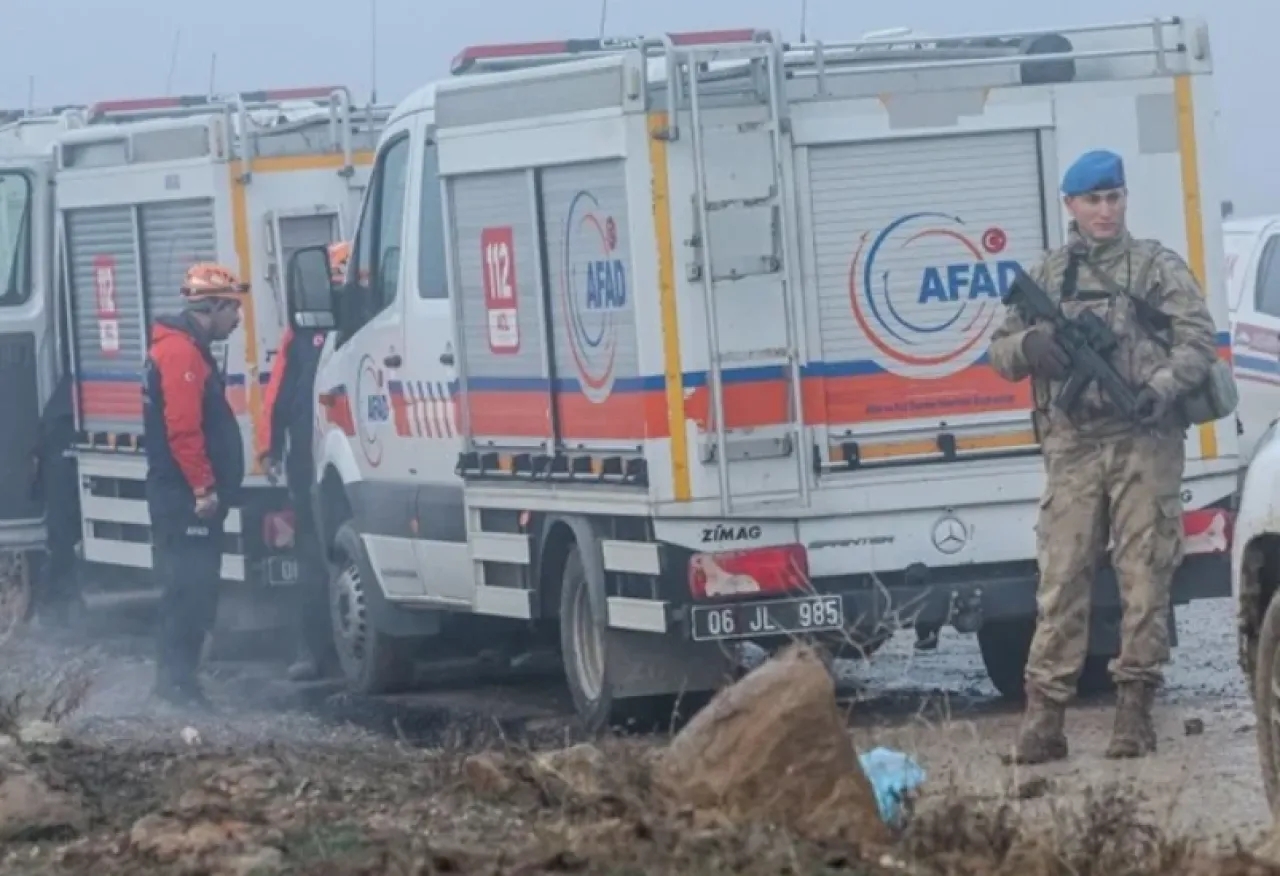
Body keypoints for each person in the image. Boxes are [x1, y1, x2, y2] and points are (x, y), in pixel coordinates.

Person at [987, 149, 1219, 763]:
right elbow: (1000, 350)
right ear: (1071, 205)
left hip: (1145, 440)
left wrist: (1162, 385)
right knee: (1061, 580)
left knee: (1145, 577)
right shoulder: (1050, 274)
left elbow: (1199, 339)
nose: (1105, 210)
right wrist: (1032, 344)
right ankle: (1044, 722)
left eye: (1113, 197)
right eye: (1093, 200)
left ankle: (1134, 715)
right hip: (1074, 445)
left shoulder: (1155, 267)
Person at [144, 262, 248, 708]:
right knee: (188, 590)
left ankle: (180, 683)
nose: (237, 319)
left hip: (182, 493)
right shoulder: (181, 354)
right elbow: (183, 429)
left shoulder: (185, 349)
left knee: (193, 589)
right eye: (233, 309)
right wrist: (204, 488)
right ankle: (176, 686)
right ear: (214, 307)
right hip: (184, 497)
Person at [259, 240, 350, 681]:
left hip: (350, 461)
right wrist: (269, 447)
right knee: (313, 559)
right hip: (311, 463)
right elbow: (278, 394)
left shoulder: (369, 322)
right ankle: (315, 650)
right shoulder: (301, 334)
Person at [30, 370, 85, 627]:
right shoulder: (68, 401)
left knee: (61, 538)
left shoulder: (64, 396)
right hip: (58, 462)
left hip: (56, 460)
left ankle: (57, 606)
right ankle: (54, 607)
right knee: (62, 538)